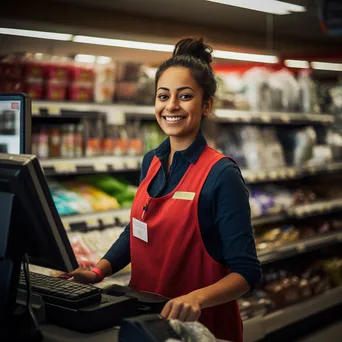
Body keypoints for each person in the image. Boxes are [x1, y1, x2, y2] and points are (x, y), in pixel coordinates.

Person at [68, 37, 261, 342]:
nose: (171, 106)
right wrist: (97, 272)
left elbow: (247, 272)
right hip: (144, 322)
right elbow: (138, 230)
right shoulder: (152, 161)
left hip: (200, 330)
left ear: (206, 104)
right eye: (163, 96)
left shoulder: (221, 174)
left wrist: (196, 299)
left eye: (185, 96)